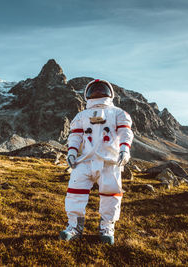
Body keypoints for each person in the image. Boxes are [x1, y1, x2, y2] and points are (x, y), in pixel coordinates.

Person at [59, 79, 134, 245]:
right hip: (85, 160)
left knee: (111, 195)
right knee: (74, 193)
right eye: (94, 89)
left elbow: (125, 133)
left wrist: (124, 149)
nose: (98, 91)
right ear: (87, 94)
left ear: (110, 93)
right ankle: (74, 226)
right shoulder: (81, 116)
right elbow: (75, 136)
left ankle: (107, 226)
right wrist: (72, 152)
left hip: (109, 161)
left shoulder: (118, 113)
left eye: (101, 89)